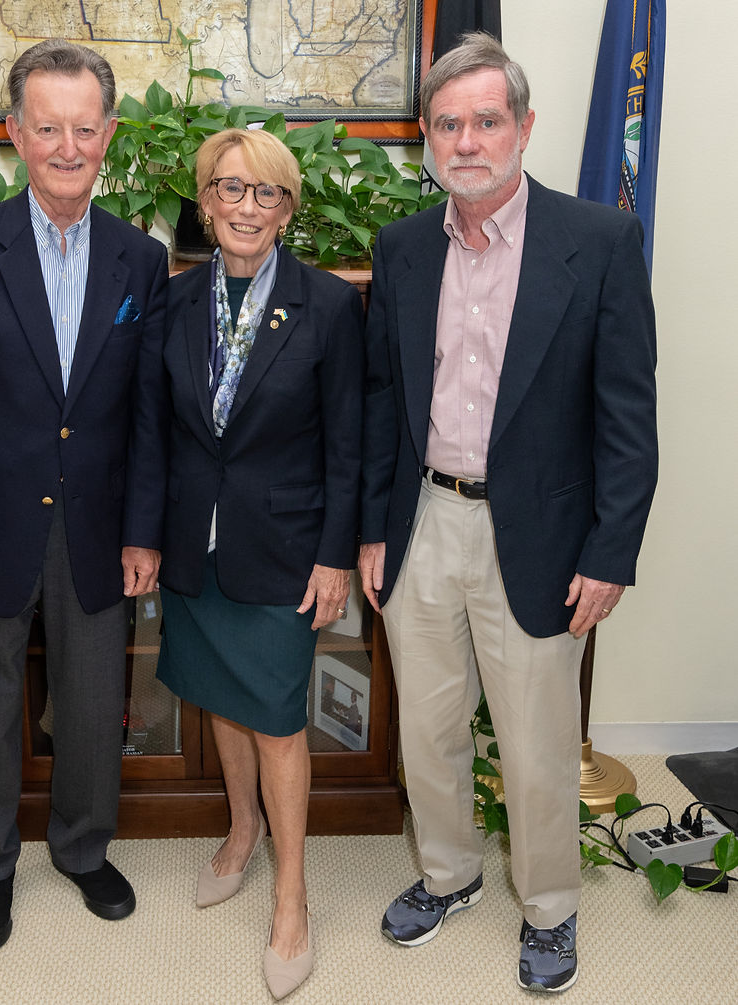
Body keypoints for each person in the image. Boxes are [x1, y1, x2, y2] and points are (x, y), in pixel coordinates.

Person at [359, 33, 657, 994]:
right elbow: (378, 403)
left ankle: (550, 906)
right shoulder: (402, 248)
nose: (468, 139)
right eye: (448, 123)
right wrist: (373, 526)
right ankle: (447, 875)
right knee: (429, 728)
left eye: (488, 119)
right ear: (426, 139)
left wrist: (612, 550)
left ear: (523, 127)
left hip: (541, 533)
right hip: (422, 525)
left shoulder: (599, 242)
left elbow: (626, 413)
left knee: (536, 741)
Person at [0, 39, 169, 951]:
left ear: (109, 135)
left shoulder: (142, 257)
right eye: (47, 126)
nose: (66, 145)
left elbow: (144, 415)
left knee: (95, 695)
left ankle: (84, 847)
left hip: (97, 521)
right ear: (15, 132)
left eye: (83, 128)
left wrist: (143, 531)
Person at [155, 128, 364, 1000]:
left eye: (266, 193)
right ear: (205, 201)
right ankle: (242, 831)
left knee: (277, 716)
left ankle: (291, 893)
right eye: (230, 189)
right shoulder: (170, 303)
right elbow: (154, 431)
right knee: (221, 696)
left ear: (288, 209)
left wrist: (335, 557)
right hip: (194, 544)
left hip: (284, 547)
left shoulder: (328, 305)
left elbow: (349, 446)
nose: (246, 207)